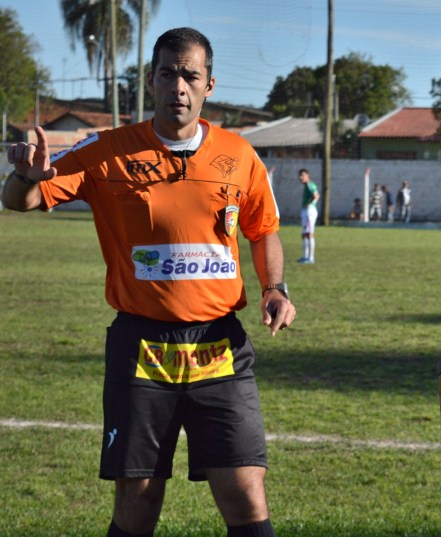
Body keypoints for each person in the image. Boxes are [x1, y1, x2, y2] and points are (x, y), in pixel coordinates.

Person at [3, 27, 295, 537]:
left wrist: (274, 288)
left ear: (209, 85)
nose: (178, 86)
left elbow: (263, 229)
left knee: (246, 496)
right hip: (141, 347)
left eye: (190, 75)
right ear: (151, 81)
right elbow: (20, 201)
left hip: (218, 347)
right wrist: (27, 175)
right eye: (167, 73)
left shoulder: (240, 154)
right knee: (138, 504)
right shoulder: (104, 150)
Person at [298, 168, 319, 264]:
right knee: (304, 234)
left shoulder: (311, 185)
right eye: (299, 175)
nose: (300, 177)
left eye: (302, 175)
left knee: (309, 233)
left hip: (310, 211)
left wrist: (310, 204)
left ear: (307, 175)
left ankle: (311, 258)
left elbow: (316, 196)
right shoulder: (306, 186)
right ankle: (305, 256)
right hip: (306, 211)